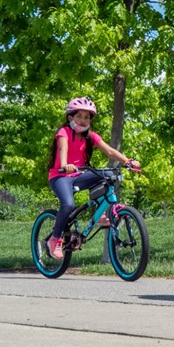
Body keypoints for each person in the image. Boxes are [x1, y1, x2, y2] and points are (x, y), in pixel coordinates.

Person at [45, 96, 140, 259]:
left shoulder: (90, 135)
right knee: (68, 205)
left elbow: (109, 150)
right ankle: (54, 240)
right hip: (61, 176)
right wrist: (64, 164)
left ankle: (101, 214)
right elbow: (63, 149)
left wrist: (127, 161)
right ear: (70, 117)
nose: (83, 120)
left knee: (109, 174)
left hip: (80, 174)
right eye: (79, 116)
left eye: (87, 117)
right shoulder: (64, 132)